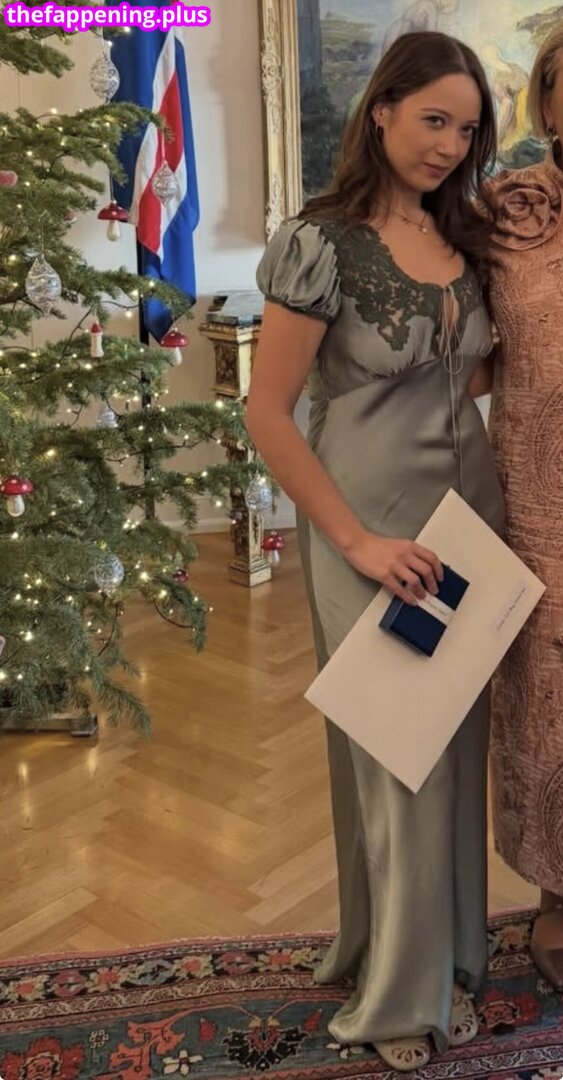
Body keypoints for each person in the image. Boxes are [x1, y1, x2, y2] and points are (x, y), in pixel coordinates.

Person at [247, 31, 504, 1071]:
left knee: (453, 751)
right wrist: (351, 538)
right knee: (397, 755)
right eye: (432, 118)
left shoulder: (465, 238)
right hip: (367, 525)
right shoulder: (319, 241)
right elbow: (267, 413)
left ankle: (439, 954)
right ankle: (398, 998)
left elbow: (466, 378)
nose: (448, 144)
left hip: (466, 522)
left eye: (466, 129)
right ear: (382, 108)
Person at [483, 24, 563, 991]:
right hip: (538, 501)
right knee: (546, 704)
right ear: (545, 100)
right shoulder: (510, 210)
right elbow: (459, 342)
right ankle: (556, 893)